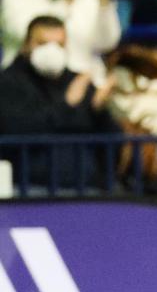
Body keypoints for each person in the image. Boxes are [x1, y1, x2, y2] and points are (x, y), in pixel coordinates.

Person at [0, 15, 120, 188]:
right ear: (26, 45)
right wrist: (66, 105)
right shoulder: (8, 82)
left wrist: (99, 111)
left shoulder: (77, 82)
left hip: (87, 188)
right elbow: (17, 130)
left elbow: (110, 143)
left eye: (59, 45)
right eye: (42, 43)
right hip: (31, 191)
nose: (52, 51)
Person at [1, 0, 121, 85]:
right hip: (27, 84)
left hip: (81, 85)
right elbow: (28, 33)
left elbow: (107, 42)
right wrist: (67, 3)